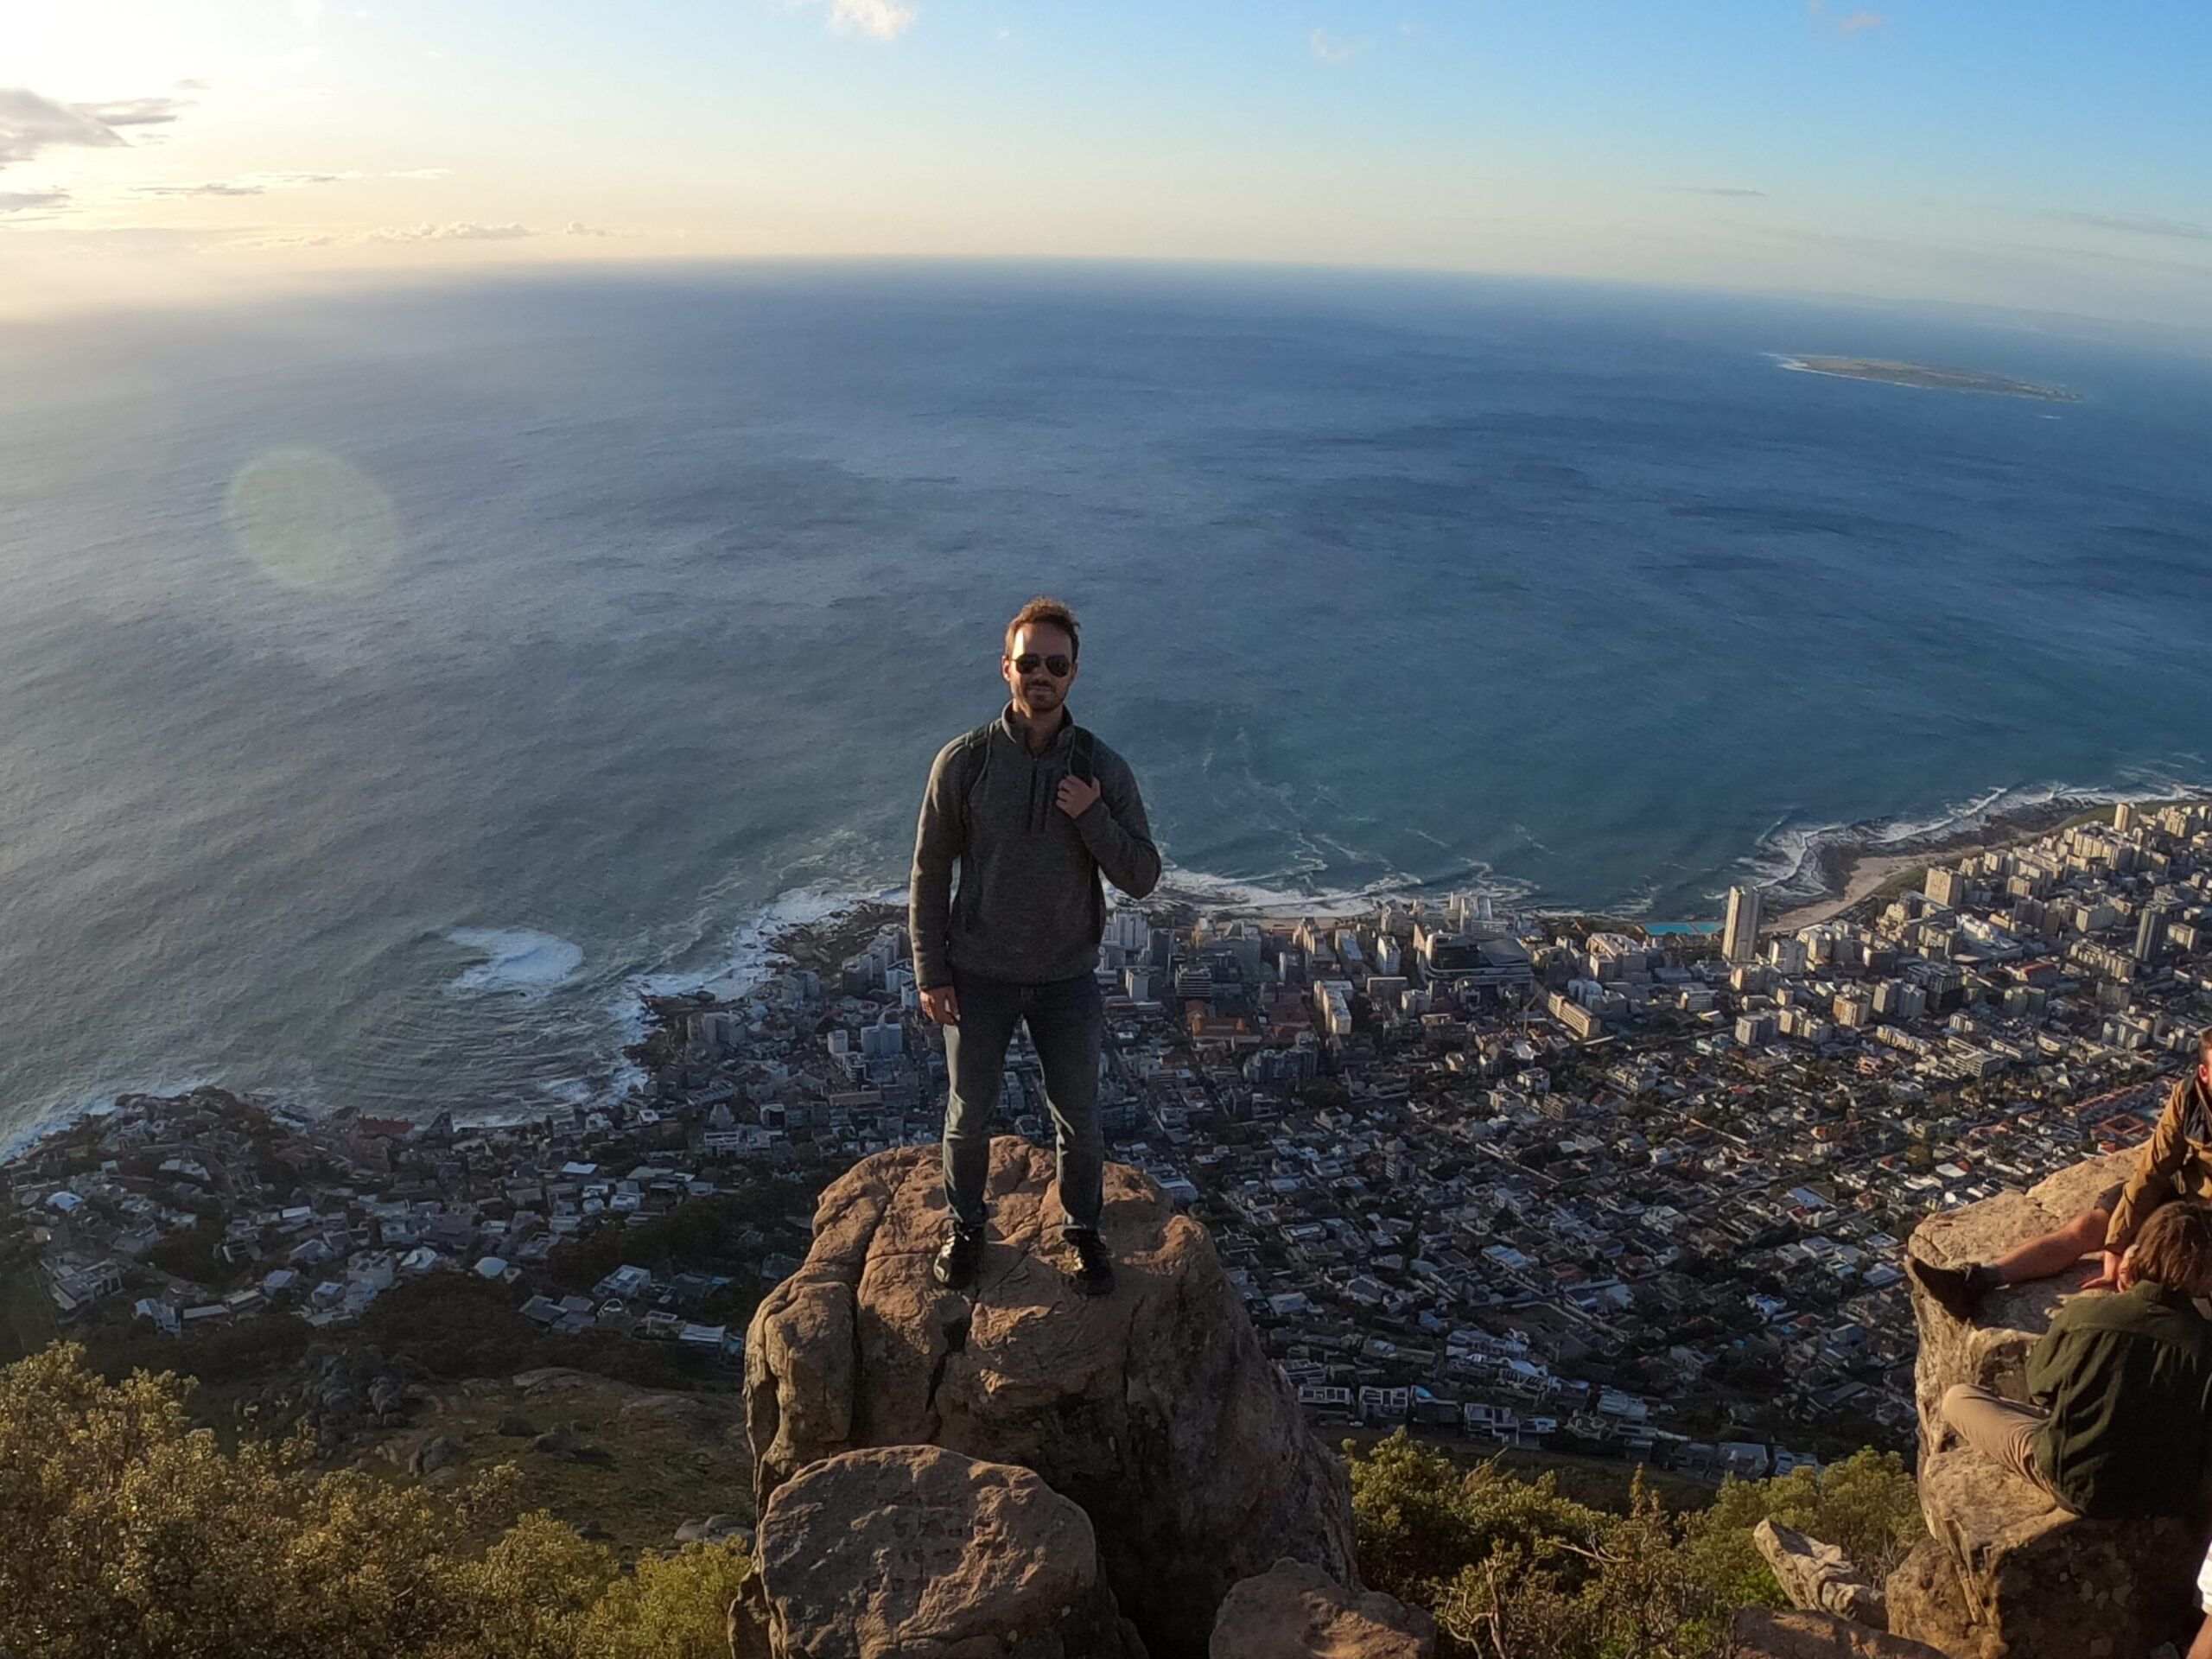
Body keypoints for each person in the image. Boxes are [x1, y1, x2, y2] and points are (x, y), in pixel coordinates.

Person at [908, 595, 1160, 1297]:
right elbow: (929, 871)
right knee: (968, 1115)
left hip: (1065, 976)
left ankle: (1081, 1233)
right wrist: (931, 971)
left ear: (1074, 673)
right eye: (1029, 663)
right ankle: (966, 1227)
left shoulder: (1100, 768)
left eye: (1055, 664)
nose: (1041, 675)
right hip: (977, 972)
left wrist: (1092, 815)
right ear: (1006, 669)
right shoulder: (965, 763)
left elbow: (1142, 876)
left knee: (1079, 1116)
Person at [1910, 1027, 2212, 1320]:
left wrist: (2140, 1250)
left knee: (2161, 1262)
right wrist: (2116, 1243)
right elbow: (2153, 1170)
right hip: (2187, 1192)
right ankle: (1974, 1281)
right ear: (2204, 1073)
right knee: (2088, 1227)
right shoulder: (2189, 1098)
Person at [1940, 1198, 2212, 1520]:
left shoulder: (2086, 1315)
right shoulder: (2204, 1343)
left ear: (2137, 1253)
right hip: (2169, 1494)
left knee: (1958, 1398)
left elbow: (2040, 1387)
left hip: (2077, 1483)